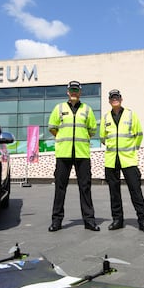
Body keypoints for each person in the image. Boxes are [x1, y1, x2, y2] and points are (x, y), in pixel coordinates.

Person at [47, 80, 99, 231]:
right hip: (64, 153)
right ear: (68, 92)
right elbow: (52, 127)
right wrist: (64, 139)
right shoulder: (59, 108)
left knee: (85, 187)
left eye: (76, 90)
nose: (74, 92)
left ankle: (89, 221)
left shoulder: (87, 110)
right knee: (60, 188)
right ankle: (56, 221)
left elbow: (92, 130)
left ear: (80, 92)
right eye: (72, 90)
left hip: (82, 153)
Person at [100, 89, 144, 232]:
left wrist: (132, 149)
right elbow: (102, 138)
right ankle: (117, 220)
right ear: (109, 101)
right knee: (114, 192)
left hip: (128, 160)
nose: (115, 100)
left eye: (117, 97)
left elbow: (139, 134)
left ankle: (143, 220)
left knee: (135, 191)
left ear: (121, 99)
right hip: (111, 160)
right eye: (112, 98)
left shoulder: (131, 114)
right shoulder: (106, 118)